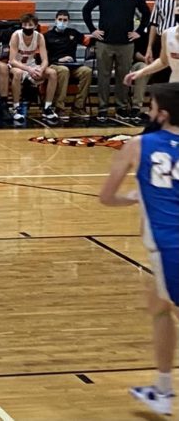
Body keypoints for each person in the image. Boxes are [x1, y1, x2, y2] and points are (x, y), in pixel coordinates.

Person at [98, 82, 179, 417]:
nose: (148, 111)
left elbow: (105, 197)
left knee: (165, 308)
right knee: (158, 307)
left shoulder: (138, 145)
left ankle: (162, 391)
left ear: (163, 113)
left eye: (152, 106)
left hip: (169, 244)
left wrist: (131, 197)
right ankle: (161, 389)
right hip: (167, 246)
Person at [83, 0, 152, 121]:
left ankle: (121, 108)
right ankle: (102, 109)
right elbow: (86, 10)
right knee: (103, 77)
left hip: (126, 44)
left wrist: (139, 32)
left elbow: (146, 14)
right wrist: (93, 30)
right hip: (104, 42)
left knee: (124, 77)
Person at [4, 13, 59, 124]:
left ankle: (47, 107)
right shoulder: (16, 35)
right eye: (25, 24)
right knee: (18, 73)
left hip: (32, 65)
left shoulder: (39, 37)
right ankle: (16, 107)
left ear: (35, 26)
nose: (27, 27)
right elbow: (12, 60)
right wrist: (29, 69)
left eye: (30, 25)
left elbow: (45, 60)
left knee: (52, 73)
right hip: (17, 65)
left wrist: (41, 69)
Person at [45, 9, 93, 120]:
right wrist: (59, 59)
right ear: (55, 20)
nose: (62, 22)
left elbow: (89, 42)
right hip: (54, 64)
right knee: (63, 70)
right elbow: (42, 56)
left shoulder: (73, 33)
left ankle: (78, 106)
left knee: (87, 71)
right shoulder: (47, 36)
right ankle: (59, 107)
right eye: (60, 19)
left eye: (65, 20)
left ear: (68, 21)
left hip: (72, 65)